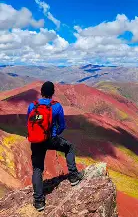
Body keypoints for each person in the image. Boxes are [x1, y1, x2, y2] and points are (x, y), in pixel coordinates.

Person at [27, 81, 84, 212]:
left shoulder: (32, 106)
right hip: (51, 139)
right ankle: (74, 176)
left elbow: (29, 124)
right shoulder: (56, 106)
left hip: (35, 141)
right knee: (69, 147)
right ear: (52, 93)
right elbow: (62, 125)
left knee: (37, 169)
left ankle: (39, 202)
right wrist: (54, 134)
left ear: (41, 92)